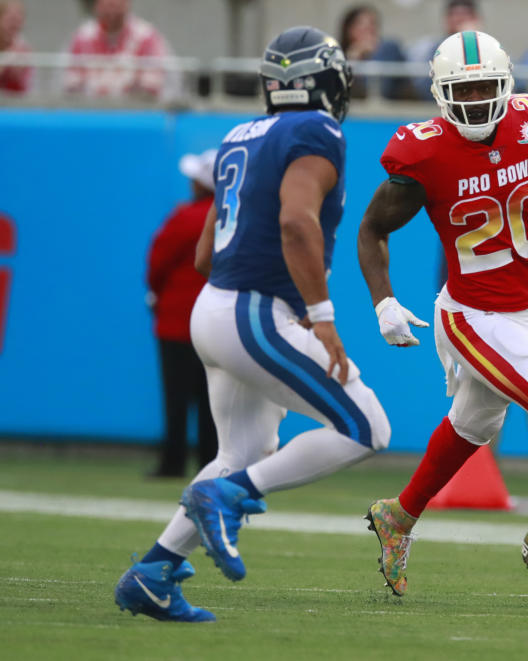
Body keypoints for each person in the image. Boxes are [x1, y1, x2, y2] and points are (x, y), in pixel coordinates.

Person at [114, 26, 391, 623]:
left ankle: (154, 571)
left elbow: (203, 256)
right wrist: (320, 317)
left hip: (214, 306)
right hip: (255, 311)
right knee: (366, 426)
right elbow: (296, 223)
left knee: (243, 450)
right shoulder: (317, 129)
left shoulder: (240, 134)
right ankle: (231, 495)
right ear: (325, 83)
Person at [357, 30, 528, 599]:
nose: (473, 103)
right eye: (460, 92)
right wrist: (383, 301)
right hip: (469, 313)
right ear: (441, 94)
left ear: (507, 85)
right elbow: (371, 229)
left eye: (484, 90)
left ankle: (400, 515)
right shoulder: (423, 151)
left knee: (474, 424)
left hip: (523, 310)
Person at [146, 149, 219, 478]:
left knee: (176, 398)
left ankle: (172, 462)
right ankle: (210, 463)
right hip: (217, 321)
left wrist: (157, 296)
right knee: (212, 400)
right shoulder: (237, 218)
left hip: (176, 320)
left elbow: (158, 263)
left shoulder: (186, 216)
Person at [62, 0, 175, 100]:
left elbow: (152, 90)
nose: (112, 4)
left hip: (135, 117)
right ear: (96, 4)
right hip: (91, 116)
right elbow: (70, 88)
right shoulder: (82, 37)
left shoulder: (146, 36)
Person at [407, 0, 482, 100]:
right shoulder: (430, 48)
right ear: (446, 19)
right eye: (454, 14)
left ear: (476, 19)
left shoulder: (491, 48)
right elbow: (425, 87)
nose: (459, 19)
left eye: (465, 14)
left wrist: (472, 42)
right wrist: (459, 43)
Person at [339, 4, 410, 100]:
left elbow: (380, 90)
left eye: (372, 24)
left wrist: (374, 53)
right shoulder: (337, 55)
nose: (369, 30)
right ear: (349, 30)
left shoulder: (389, 49)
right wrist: (353, 58)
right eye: (362, 25)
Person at [0, 1, 31, 94]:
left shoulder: (23, 48)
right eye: (11, 19)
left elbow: (27, 92)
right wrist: (6, 61)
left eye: (19, 20)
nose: (15, 25)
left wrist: (19, 77)